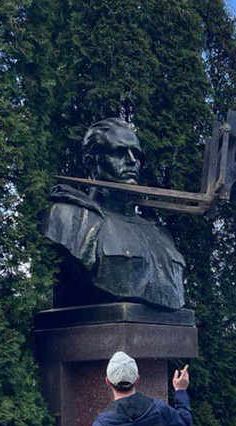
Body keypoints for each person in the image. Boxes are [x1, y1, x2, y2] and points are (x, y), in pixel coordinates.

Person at [43, 117, 187, 310]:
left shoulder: (160, 233)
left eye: (136, 154)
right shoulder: (67, 219)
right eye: (118, 153)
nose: (132, 161)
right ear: (91, 162)